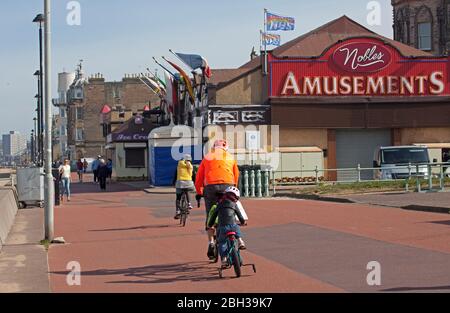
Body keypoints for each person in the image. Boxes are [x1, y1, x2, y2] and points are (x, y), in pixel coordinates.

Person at [195, 139, 240, 260]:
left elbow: (199, 177)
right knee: (229, 209)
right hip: (228, 185)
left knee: (211, 215)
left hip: (211, 187)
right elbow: (236, 176)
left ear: (214, 147)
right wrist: (234, 189)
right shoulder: (230, 157)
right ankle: (236, 234)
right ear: (226, 148)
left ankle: (211, 242)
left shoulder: (207, 157)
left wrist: (199, 192)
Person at [207, 186, 247, 267]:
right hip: (233, 225)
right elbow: (240, 216)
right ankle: (240, 241)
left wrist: (210, 225)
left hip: (223, 227)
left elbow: (213, 217)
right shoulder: (234, 205)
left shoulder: (218, 206)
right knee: (236, 229)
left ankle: (224, 259)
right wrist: (242, 222)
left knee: (222, 242)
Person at [174, 154, 195, 219]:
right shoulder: (191, 166)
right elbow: (193, 175)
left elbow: (175, 175)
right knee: (187, 191)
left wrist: (173, 183)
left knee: (178, 197)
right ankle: (189, 204)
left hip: (180, 182)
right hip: (189, 182)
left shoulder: (179, 164)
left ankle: (177, 211)